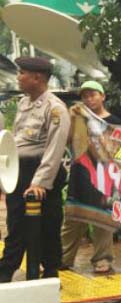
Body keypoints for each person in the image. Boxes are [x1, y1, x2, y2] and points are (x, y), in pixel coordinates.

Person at [0, 57, 70, 282]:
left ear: (37, 77)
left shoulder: (55, 108)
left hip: (41, 171)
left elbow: (55, 148)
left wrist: (40, 182)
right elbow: (18, 139)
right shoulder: (23, 103)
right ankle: (7, 267)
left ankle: (50, 270)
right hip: (20, 171)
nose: (18, 77)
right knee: (16, 222)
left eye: (22, 73)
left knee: (48, 223)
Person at [61, 81, 121, 274]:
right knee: (72, 218)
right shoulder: (78, 120)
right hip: (80, 175)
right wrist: (71, 119)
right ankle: (63, 257)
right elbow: (67, 141)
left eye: (93, 95)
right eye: (85, 96)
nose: (89, 99)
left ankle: (102, 258)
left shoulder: (114, 121)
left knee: (102, 220)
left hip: (104, 176)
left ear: (102, 96)